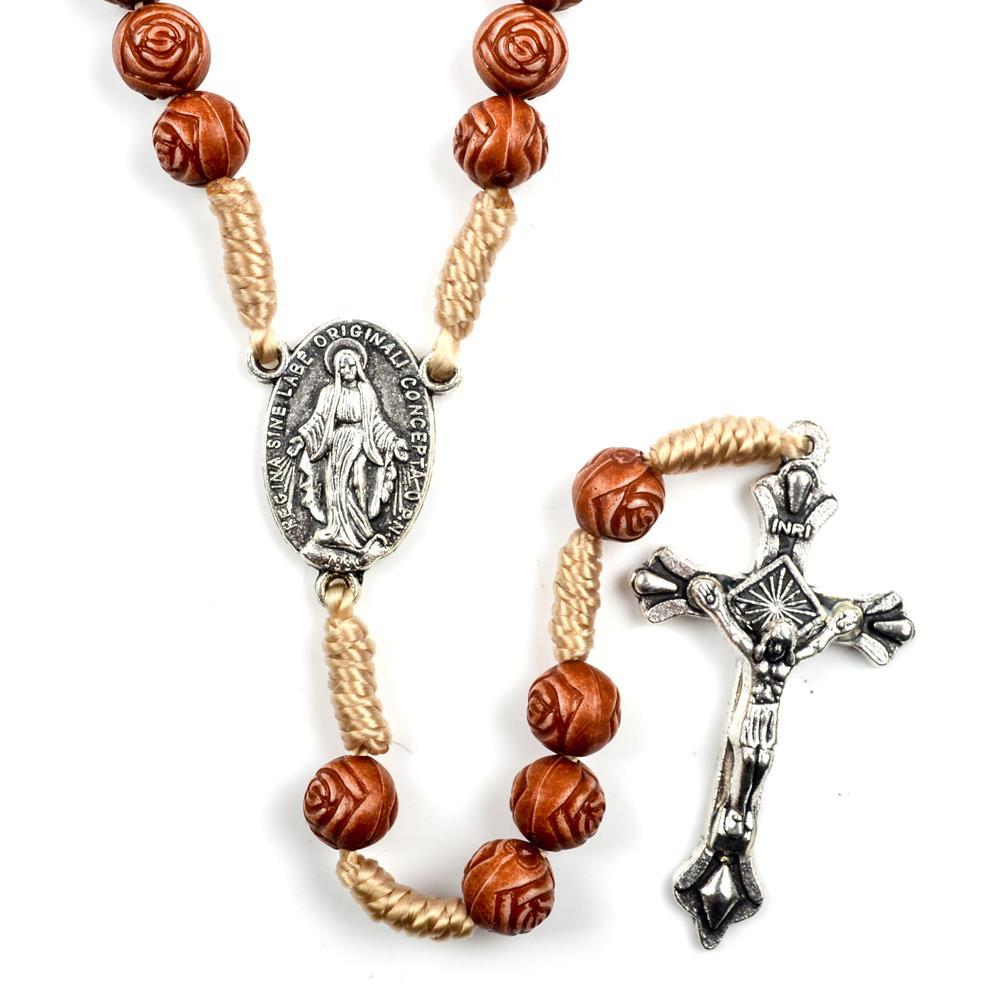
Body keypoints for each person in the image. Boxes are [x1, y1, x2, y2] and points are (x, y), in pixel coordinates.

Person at [287, 341, 409, 553]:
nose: (347, 370)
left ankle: (361, 533)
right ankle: (337, 531)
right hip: (336, 442)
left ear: (358, 365)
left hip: (361, 441)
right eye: (342, 367)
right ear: (336, 370)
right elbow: (318, 419)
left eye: (351, 365)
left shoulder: (366, 392)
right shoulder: (329, 392)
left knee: (357, 481)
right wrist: (301, 438)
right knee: (335, 486)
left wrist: (394, 441)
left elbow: (377, 422)